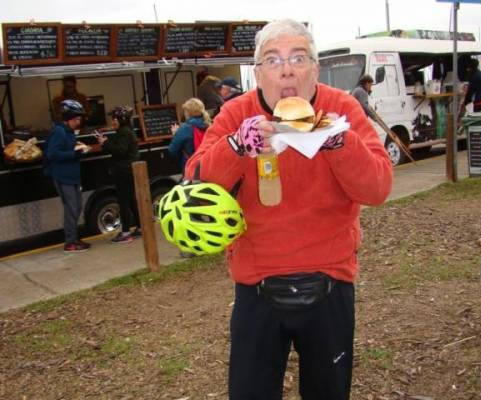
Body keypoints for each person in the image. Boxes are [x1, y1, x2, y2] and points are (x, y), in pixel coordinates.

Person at [184, 19, 393, 400]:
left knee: (328, 392)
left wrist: (337, 141)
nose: (287, 69)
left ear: (315, 68)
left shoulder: (341, 108)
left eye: (299, 58)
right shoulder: (236, 113)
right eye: (273, 60)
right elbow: (196, 181)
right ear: (258, 73)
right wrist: (235, 146)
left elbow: (378, 187)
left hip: (329, 278)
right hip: (257, 284)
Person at [45, 100, 91, 253]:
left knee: (77, 207)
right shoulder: (59, 131)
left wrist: (78, 148)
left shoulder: (68, 132)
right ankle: (70, 242)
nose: (79, 122)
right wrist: (75, 153)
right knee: (71, 209)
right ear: (69, 118)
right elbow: (52, 153)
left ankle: (74, 238)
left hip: (72, 176)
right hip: (63, 177)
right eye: (77, 119)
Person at [96, 106, 141, 243]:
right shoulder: (125, 131)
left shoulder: (124, 133)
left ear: (122, 119)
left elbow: (120, 151)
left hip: (123, 171)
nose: (112, 122)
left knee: (124, 201)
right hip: (128, 170)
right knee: (132, 199)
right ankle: (140, 227)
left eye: (114, 119)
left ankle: (126, 232)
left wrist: (105, 143)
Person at [168, 98, 211, 175]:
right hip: (209, 166)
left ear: (188, 112)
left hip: (192, 169)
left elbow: (172, 150)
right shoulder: (209, 125)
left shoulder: (185, 128)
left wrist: (175, 134)